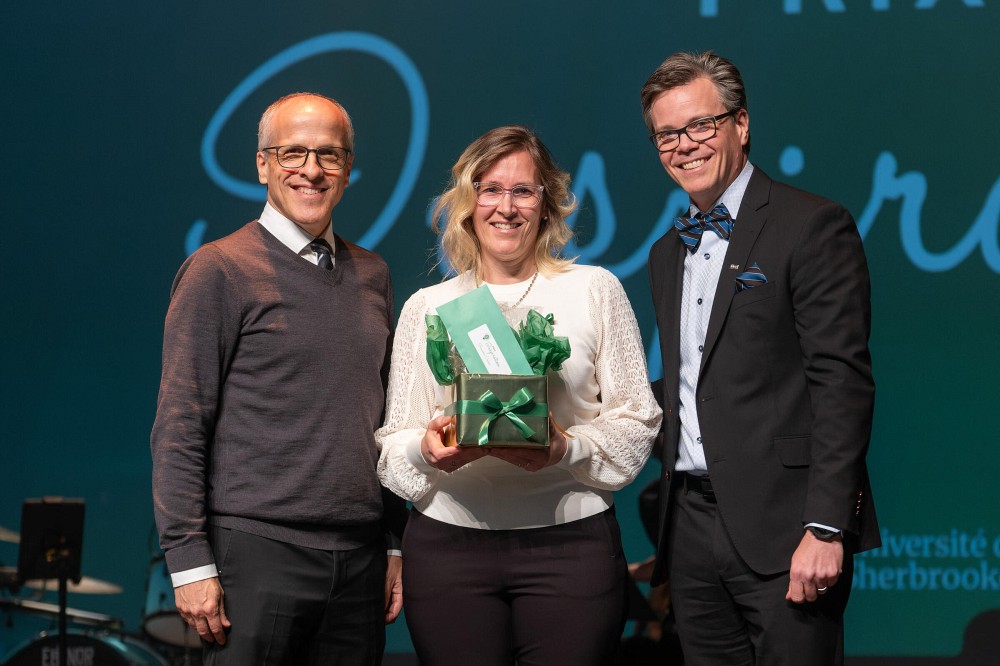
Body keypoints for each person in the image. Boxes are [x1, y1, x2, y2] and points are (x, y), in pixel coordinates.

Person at [376, 125, 661, 666]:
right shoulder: (428, 307)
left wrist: (564, 449)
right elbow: (394, 443)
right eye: (490, 188)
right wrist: (426, 450)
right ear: (467, 202)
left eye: (523, 190)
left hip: (570, 547)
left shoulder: (594, 290)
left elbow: (637, 419)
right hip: (448, 550)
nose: (505, 206)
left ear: (548, 204)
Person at [641, 51, 879, 666]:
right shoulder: (667, 253)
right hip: (690, 528)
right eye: (667, 133)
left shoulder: (811, 225)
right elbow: (695, 383)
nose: (684, 145)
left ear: (741, 125)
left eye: (701, 125)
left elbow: (841, 384)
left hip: (787, 528)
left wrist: (826, 528)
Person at [150, 92, 405, 665]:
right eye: (293, 153)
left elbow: (386, 421)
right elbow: (181, 422)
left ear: (347, 170)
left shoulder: (374, 274)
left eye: (330, 156)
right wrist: (189, 562)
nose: (311, 170)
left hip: (360, 562)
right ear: (262, 164)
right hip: (256, 557)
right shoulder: (219, 268)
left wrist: (393, 544)